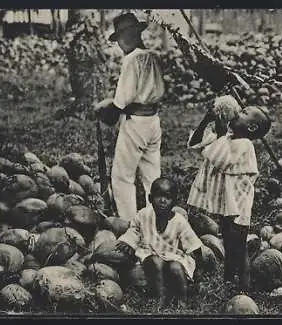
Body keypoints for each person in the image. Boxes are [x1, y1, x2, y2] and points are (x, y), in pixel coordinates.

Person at [186, 97, 271, 294]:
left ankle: (244, 287)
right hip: (228, 204)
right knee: (228, 242)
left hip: (238, 207)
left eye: (242, 113)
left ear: (251, 127)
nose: (237, 112)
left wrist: (222, 128)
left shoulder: (243, 144)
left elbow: (220, 159)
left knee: (237, 246)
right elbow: (196, 142)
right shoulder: (229, 138)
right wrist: (208, 119)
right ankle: (228, 281)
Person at [95, 12, 165, 221]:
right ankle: (158, 219)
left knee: (122, 176)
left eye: (122, 38)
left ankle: (128, 223)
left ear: (132, 36)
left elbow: (121, 102)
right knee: (152, 174)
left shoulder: (132, 60)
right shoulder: (152, 56)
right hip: (153, 120)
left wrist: (104, 110)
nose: (121, 44)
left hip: (135, 123)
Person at [116, 177, 205, 308]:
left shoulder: (179, 221)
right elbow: (134, 230)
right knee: (155, 261)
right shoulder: (144, 215)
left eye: (167, 197)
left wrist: (199, 270)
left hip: (173, 255)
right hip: (151, 252)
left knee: (175, 267)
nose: (162, 201)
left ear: (174, 201)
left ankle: (182, 298)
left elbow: (193, 243)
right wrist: (128, 242)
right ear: (150, 198)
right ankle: (160, 295)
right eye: (158, 196)